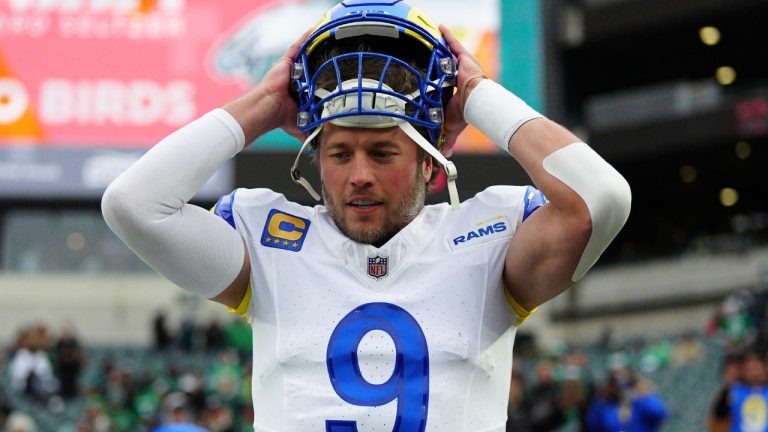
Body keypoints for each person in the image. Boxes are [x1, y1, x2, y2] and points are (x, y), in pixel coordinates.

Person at [101, 1, 631, 430]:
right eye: (339, 154)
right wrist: (263, 101)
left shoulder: (489, 238)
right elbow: (133, 205)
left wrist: (475, 95)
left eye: (382, 154)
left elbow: (601, 198)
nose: (358, 175)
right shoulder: (266, 242)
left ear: (430, 162)